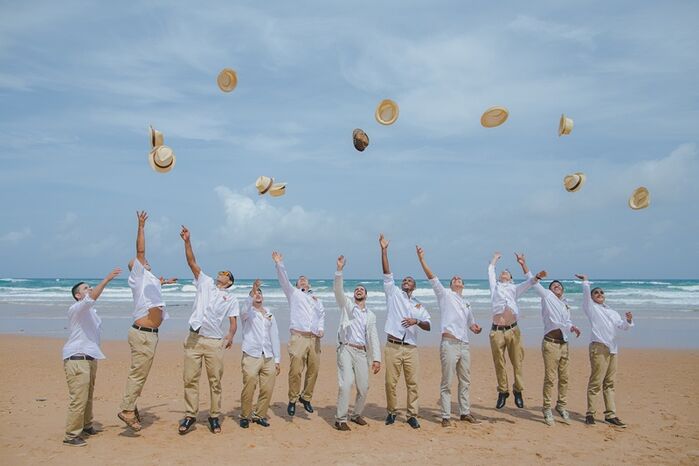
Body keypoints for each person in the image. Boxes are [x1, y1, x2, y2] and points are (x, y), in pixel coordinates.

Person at [178, 226, 239, 435]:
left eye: (225, 273)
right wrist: (187, 241)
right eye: (220, 272)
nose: (220, 274)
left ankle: (214, 416)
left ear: (229, 281)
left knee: (215, 381)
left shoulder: (231, 298)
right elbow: (191, 262)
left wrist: (230, 335)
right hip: (194, 338)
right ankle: (190, 416)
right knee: (190, 379)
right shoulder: (204, 282)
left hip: (214, 342)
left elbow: (233, 321)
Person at [118, 211, 176, 432]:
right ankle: (127, 409)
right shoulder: (138, 275)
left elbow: (154, 288)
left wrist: (165, 282)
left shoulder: (149, 279)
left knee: (140, 373)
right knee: (138, 374)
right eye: (137, 263)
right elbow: (140, 250)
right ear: (135, 268)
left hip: (148, 334)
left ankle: (131, 406)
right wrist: (141, 226)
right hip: (143, 333)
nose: (141, 261)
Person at [416, 246, 482, 428]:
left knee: (465, 381)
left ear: (463, 285)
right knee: (447, 381)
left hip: (465, 345)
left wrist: (476, 328)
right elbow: (432, 278)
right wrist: (422, 259)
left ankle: (465, 412)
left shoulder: (467, 303)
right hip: (449, 343)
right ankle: (445, 415)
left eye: (459, 279)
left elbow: (471, 324)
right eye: (454, 279)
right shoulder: (445, 295)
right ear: (451, 285)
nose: (456, 280)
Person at [62, 267, 121, 446]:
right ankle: (71, 435)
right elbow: (92, 298)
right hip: (76, 357)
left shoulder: (90, 312)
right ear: (78, 296)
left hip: (89, 358)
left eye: (89, 287)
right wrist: (106, 279)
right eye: (85, 288)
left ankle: (86, 425)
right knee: (78, 398)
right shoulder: (76, 309)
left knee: (87, 395)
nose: (89, 289)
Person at [380, 234, 431, 429]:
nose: (406, 281)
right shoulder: (393, 294)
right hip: (393, 346)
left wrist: (416, 321)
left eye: (409, 280)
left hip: (410, 348)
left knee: (413, 384)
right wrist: (384, 250)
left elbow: (428, 325)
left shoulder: (419, 305)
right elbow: (387, 273)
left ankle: (411, 415)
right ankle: (392, 412)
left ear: (414, 286)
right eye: (404, 280)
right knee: (390, 383)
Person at [576, 274, 634, 428]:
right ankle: (590, 414)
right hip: (598, 347)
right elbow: (586, 295)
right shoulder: (591, 308)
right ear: (592, 297)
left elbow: (623, 326)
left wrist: (628, 320)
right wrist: (585, 281)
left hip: (613, 349)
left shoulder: (612, 311)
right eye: (596, 293)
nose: (600, 294)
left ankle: (610, 415)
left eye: (602, 292)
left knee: (610, 383)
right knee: (596, 381)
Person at [272, 251, 325, 416]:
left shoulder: (317, 299)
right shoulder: (294, 294)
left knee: (314, 370)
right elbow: (283, 280)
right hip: (299, 337)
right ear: (297, 284)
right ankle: (293, 399)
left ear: (309, 284)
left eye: (305, 279)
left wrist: (321, 329)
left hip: (314, 338)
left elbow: (321, 315)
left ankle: (306, 397)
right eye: (300, 279)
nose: (303, 279)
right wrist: (279, 263)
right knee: (295, 370)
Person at [333, 255, 381, 431]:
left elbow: (374, 337)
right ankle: (340, 419)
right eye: (357, 289)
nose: (359, 290)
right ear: (354, 295)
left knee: (364, 386)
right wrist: (339, 270)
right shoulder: (347, 306)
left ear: (366, 295)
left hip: (361, 353)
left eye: (362, 289)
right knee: (346, 384)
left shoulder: (371, 315)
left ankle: (356, 414)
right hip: (346, 349)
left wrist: (377, 359)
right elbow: (338, 290)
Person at [530, 271, 581, 426]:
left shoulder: (565, 303)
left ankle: (561, 405)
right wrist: (523, 264)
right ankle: (546, 408)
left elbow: (567, 321)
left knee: (564, 378)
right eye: (553, 285)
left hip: (564, 343)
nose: (557, 286)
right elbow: (533, 282)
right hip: (550, 343)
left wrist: (573, 327)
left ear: (562, 290)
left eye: (559, 285)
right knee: (550, 378)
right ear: (550, 290)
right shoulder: (547, 296)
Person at [487, 252, 534, 409]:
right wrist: (494, 259)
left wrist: (523, 264)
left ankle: (518, 391)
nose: (504, 273)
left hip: (513, 330)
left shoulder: (515, 289)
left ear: (511, 278)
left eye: (507, 272)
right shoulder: (495, 287)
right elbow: (490, 272)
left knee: (517, 362)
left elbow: (531, 281)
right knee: (499, 363)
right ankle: (502, 391)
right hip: (497, 331)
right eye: (502, 272)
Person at [239, 280, 281, 429]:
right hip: (251, 354)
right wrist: (252, 290)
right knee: (249, 385)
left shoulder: (269, 313)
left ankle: (260, 415)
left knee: (267, 388)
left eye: (260, 293)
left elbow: (274, 336)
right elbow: (244, 309)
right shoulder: (247, 312)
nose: (258, 295)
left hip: (268, 356)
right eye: (256, 293)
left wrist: (277, 359)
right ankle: (245, 415)